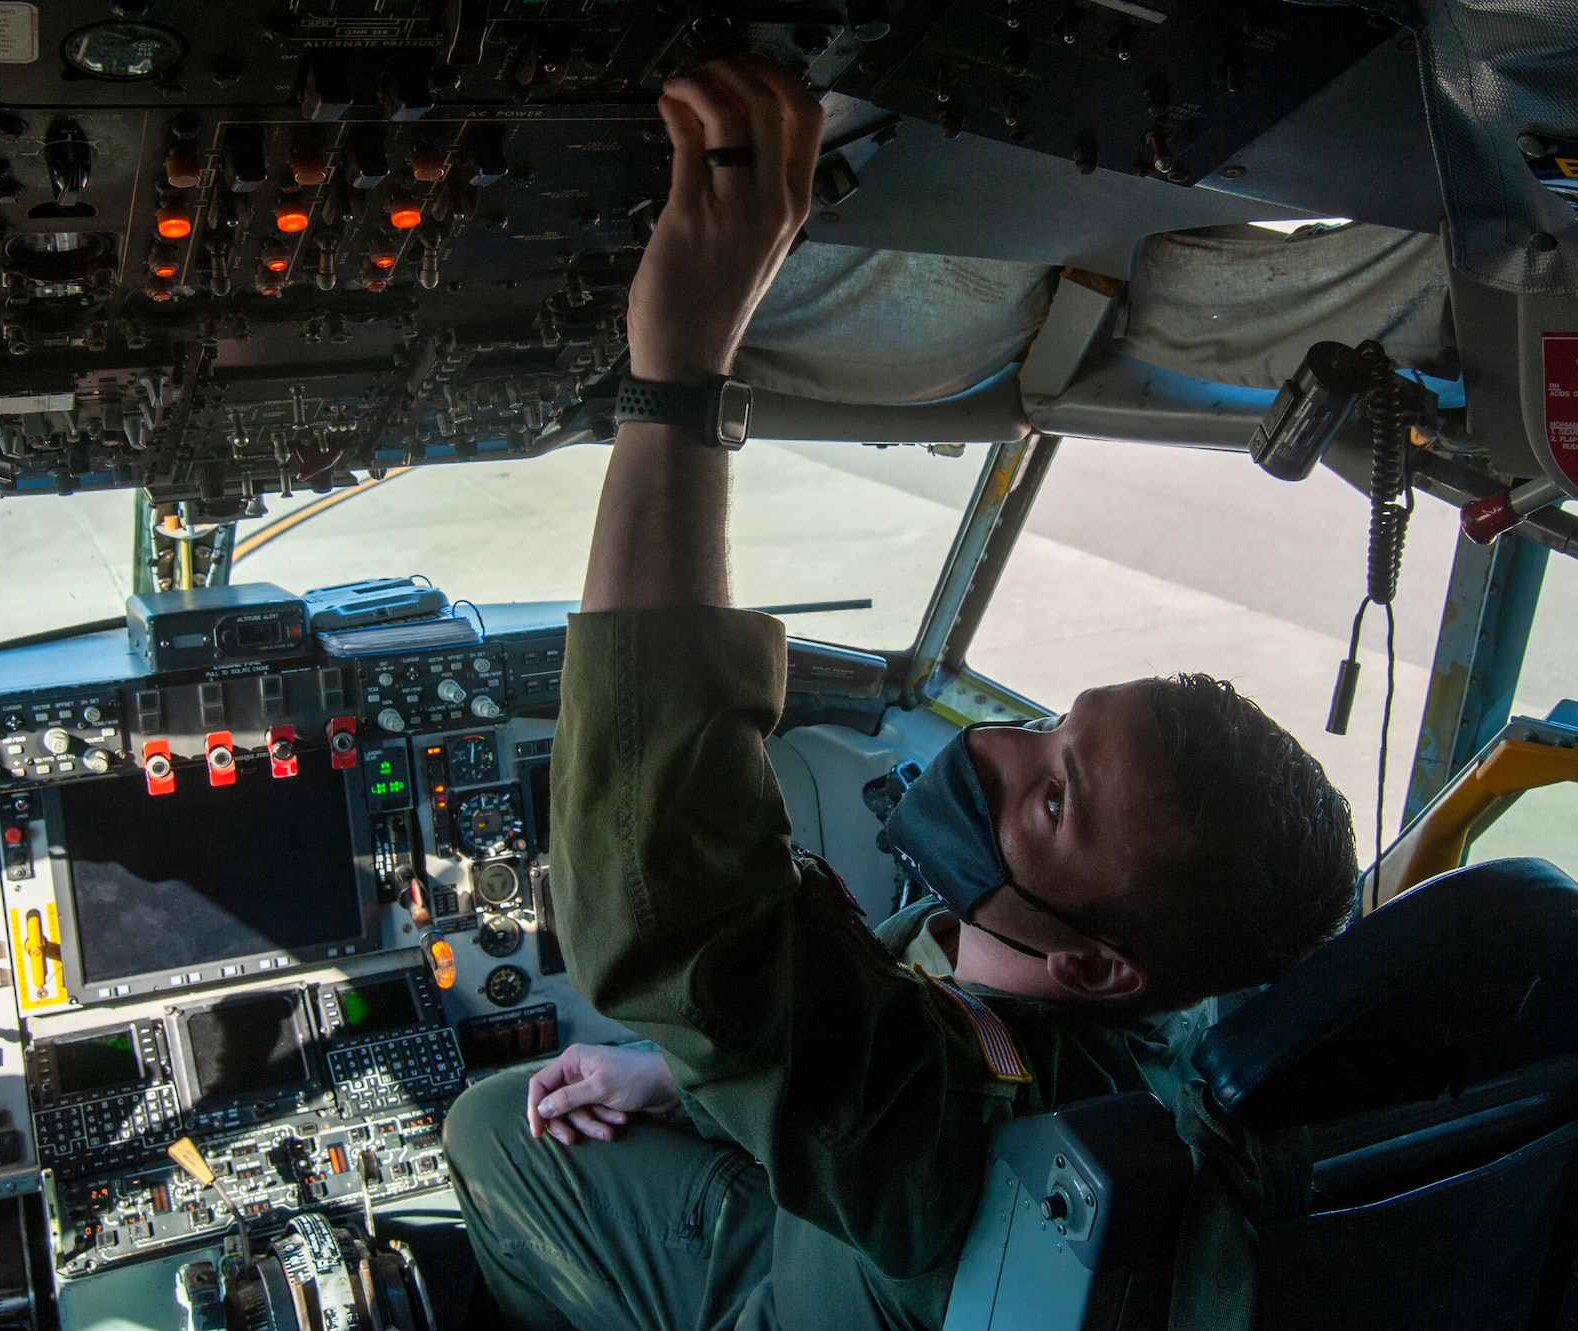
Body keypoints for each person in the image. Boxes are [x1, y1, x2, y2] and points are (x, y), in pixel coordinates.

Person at [442, 53, 1360, 1331]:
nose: (991, 748)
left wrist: (681, 365)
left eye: (1050, 798)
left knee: (488, 1125)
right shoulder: (1139, 1020)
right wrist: (673, 1071)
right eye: (1049, 726)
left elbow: (675, 910)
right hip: (832, 1238)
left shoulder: (963, 1138)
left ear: (1096, 964)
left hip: (797, 1292)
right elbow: (836, 1039)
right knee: (551, 1096)